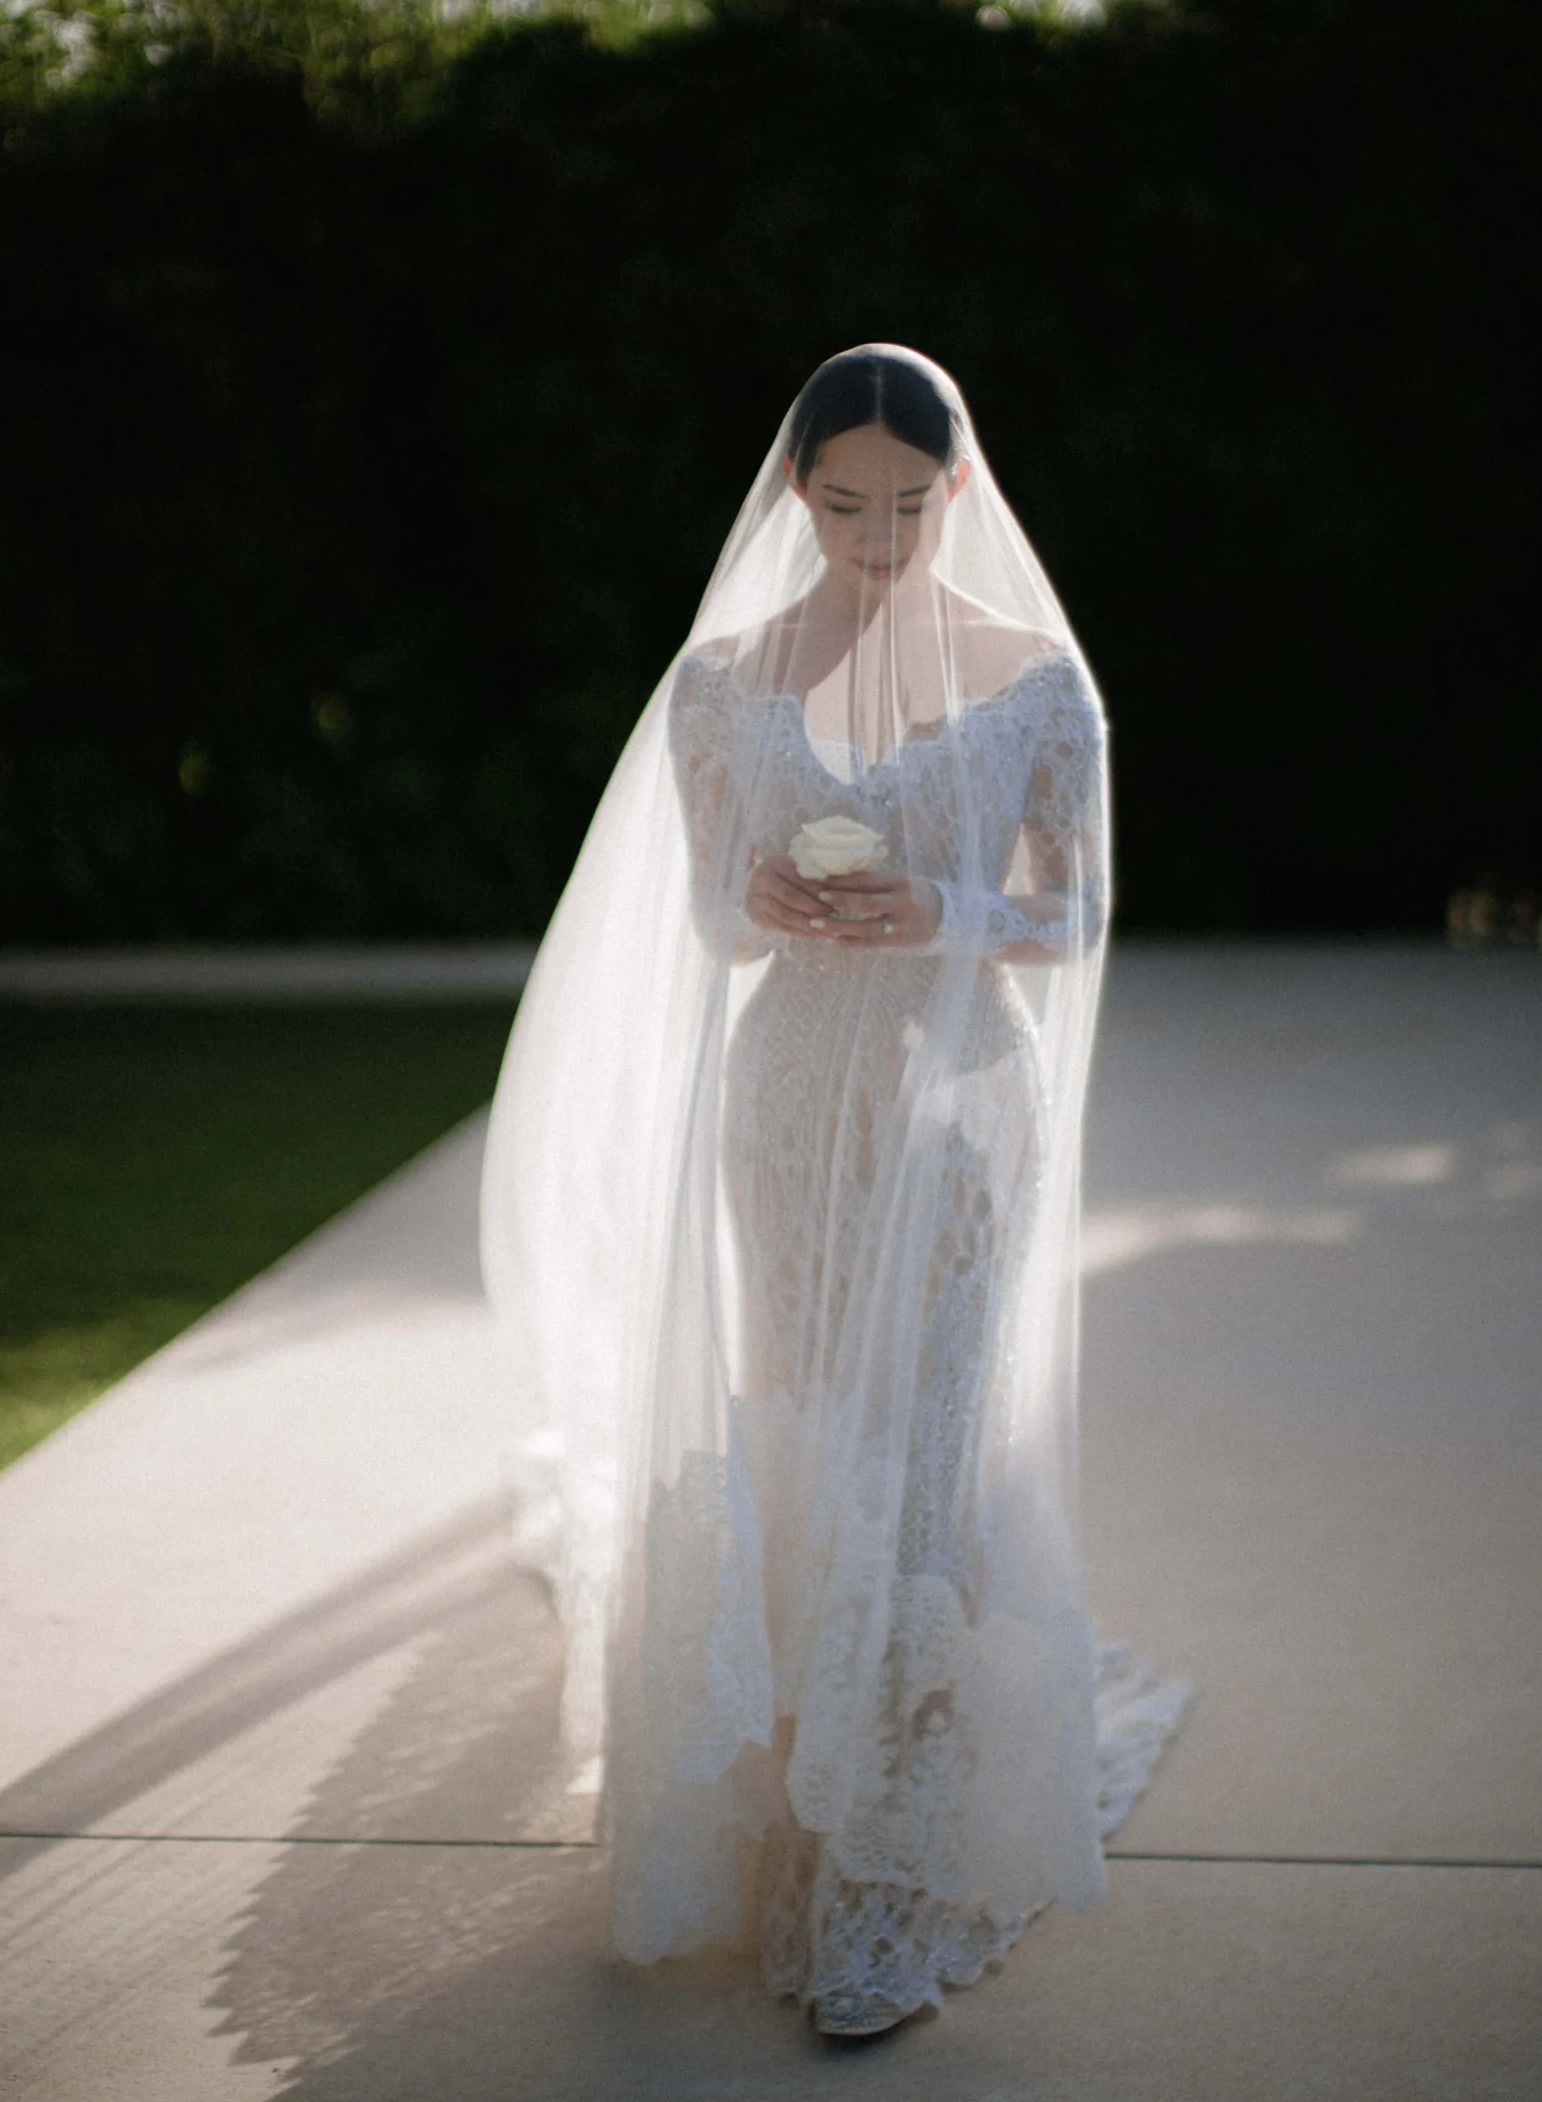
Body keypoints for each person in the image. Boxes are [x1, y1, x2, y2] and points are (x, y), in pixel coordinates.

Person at [480, 344, 1188, 2039]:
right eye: (845, 501)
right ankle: (799, 1776)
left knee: (928, 1452)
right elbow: (710, 920)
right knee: (806, 1433)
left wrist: (943, 915)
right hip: (788, 1104)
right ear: (796, 494)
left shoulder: (1039, 684)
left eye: (909, 502)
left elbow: (1074, 920)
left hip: (959, 1109)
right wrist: (776, 911)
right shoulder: (722, 682)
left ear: (960, 489)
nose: (878, 533)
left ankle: (885, 1863)